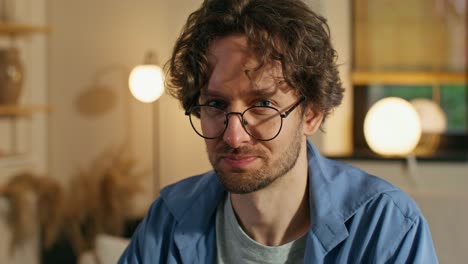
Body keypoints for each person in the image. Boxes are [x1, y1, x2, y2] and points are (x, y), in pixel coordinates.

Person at [119, 0, 438, 263]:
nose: (234, 136)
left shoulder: (385, 226)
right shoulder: (169, 219)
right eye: (216, 103)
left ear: (312, 113)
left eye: (262, 104)